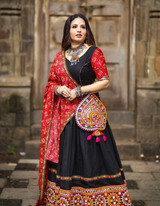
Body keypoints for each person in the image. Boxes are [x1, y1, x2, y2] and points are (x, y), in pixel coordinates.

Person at [36, 13, 132, 206]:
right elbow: (51, 82)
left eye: (82, 26)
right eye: (74, 26)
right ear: (68, 31)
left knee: (91, 159)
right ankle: (65, 199)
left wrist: (78, 91)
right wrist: (58, 88)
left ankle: (98, 199)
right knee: (67, 158)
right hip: (64, 118)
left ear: (87, 30)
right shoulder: (59, 56)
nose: (79, 30)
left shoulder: (94, 52)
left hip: (88, 116)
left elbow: (104, 82)